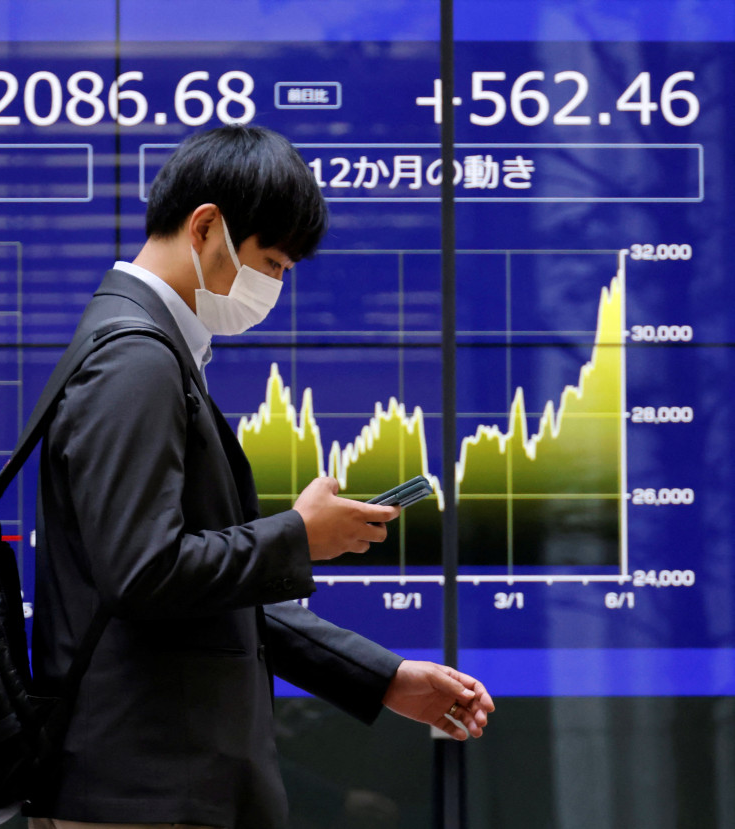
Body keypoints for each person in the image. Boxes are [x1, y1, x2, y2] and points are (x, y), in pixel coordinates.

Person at [24, 125, 494, 829]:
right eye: (269, 261)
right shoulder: (136, 362)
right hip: (143, 794)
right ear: (207, 227)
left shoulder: (150, 353)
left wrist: (382, 677)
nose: (274, 285)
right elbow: (143, 571)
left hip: (159, 790)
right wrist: (296, 535)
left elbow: (208, 597)